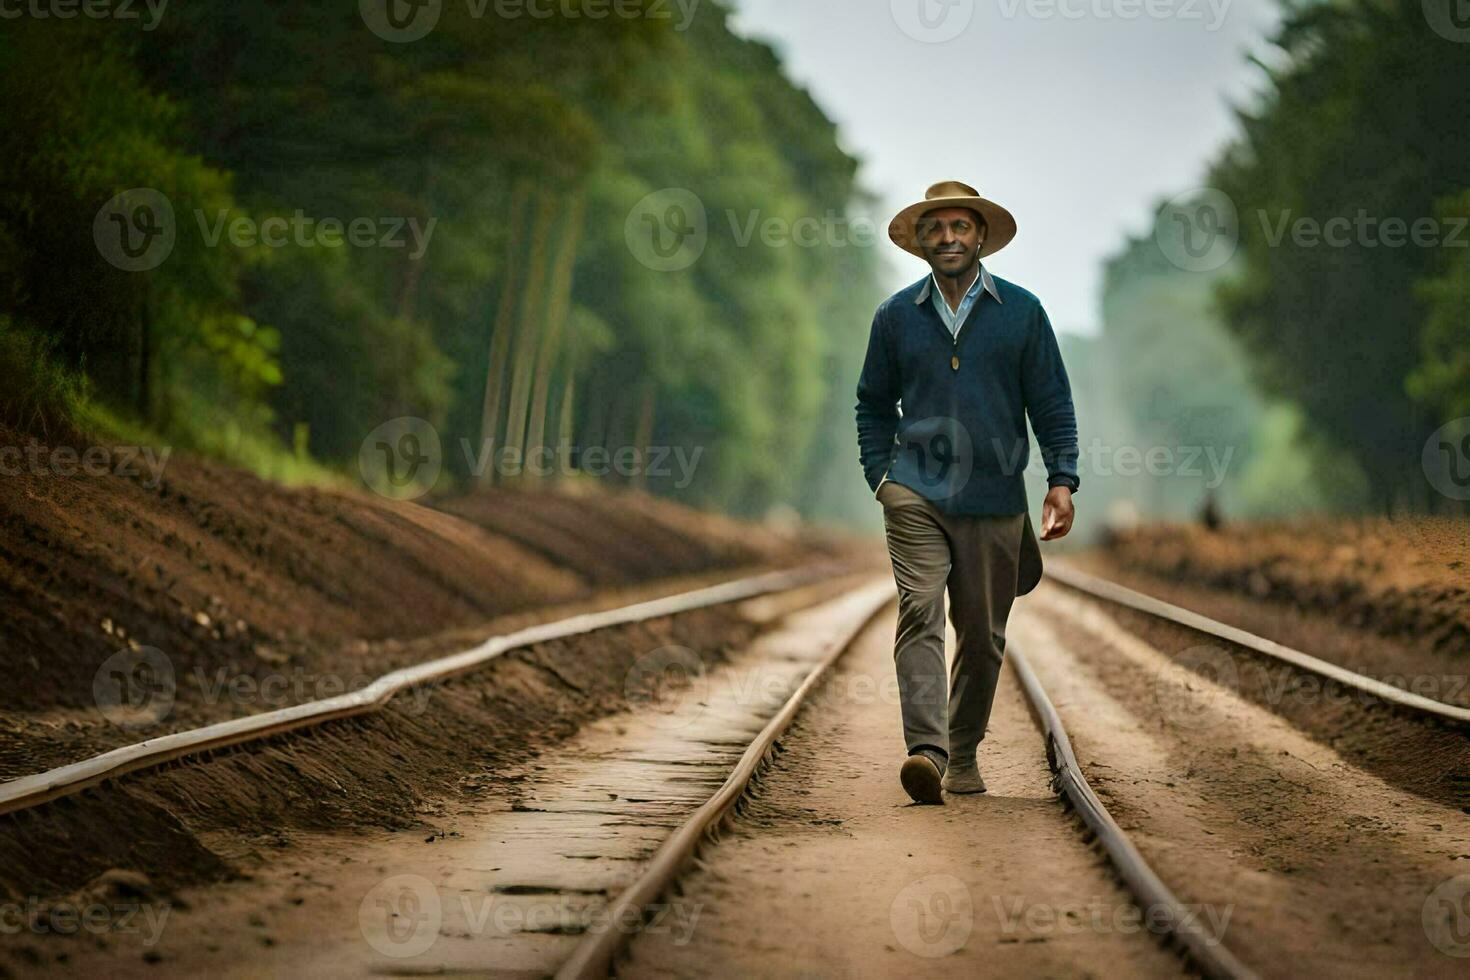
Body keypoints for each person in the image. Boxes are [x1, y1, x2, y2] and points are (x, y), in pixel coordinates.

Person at [855, 180, 1080, 804]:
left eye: (961, 227)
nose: (949, 238)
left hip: (994, 495)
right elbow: (872, 404)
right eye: (936, 229)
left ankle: (964, 751)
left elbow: (1053, 404)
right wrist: (882, 477)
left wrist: (1062, 479)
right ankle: (926, 751)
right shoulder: (896, 316)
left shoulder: (1023, 312)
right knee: (919, 610)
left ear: (981, 237)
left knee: (981, 637)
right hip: (915, 493)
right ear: (921, 242)